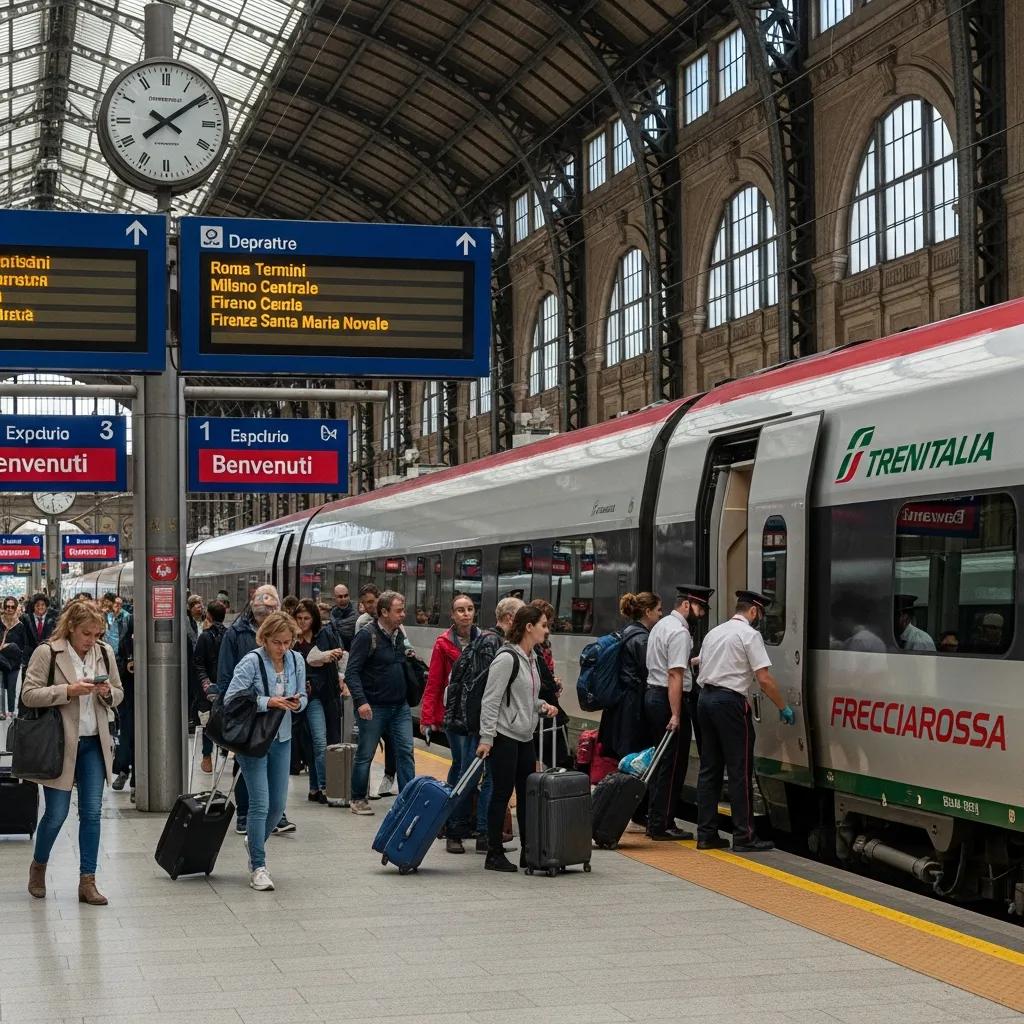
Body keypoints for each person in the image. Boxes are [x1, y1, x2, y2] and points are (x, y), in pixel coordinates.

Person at [22, 600, 124, 905]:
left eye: (96, 634)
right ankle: (39, 865)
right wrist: (68, 691)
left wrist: (108, 694)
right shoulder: (48, 652)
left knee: (91, 813)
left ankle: (87, 881)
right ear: (71, 628)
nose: (91, 640)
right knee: (56, 814)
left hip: (94, 743)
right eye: (86, 634)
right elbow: (28, 695)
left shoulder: (104, 652)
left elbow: (119, 692)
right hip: (59, 745)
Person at [695, 590, 795, 853]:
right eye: (759, 614)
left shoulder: (714, 632)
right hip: (730, 703)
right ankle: (744, 836)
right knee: (740, 770)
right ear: (753, 611)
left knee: (709, 770)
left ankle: (706, 835)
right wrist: (783, 707)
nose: (759, 619)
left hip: (704, 700)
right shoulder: (750, 635)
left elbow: (701, 664)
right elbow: (763, 678)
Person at [224, 611, 307, 891]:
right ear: (265, 639)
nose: (282, 648)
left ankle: (254, 840)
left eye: (288, 642)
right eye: (277, 642)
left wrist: (299, 703)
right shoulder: (251, 661)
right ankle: (258, 866)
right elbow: (231, 699)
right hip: (254, 741)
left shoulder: (296, 660)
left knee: (278, 805)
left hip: (282, 738)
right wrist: (267, 701)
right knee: (260, 803)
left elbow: (304, 695)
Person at [476, 604, 559, 873]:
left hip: (525, 736)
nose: (547, 630)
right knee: (501, 794)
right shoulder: (506, 658)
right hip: (504, 736)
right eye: (544, 625)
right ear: (529, 627)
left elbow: (524, 696)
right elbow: (491, 701)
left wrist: (541, 706)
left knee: (526, 795)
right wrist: (487, 737)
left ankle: (528, 852)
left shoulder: (532, 657)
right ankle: (494, 853)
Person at [216, 585, 295, 836]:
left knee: (273, 780)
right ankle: (244, 814)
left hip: (278, 725)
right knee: (246, 768)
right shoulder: (237, 633)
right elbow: (227, 675)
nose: (266, 618)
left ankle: (274, 815)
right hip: (248, 717)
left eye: (271, 612)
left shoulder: (286, 646)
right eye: (262, 614)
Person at [644, 585, 713, 841]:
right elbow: (674, 674)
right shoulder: (680, 633)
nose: (701, 614)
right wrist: (675, 713)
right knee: (672, 764)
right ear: (686, 605)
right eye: (700, 609)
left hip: (654, 694)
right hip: (668, 699)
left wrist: (692, 661)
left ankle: (655, 818)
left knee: (662, 761)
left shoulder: (661, 626)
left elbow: (669, 665)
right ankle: (662, 823)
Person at [344, 590, 417, 815]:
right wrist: (361, 701)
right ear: (384, 612)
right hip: (374, 707)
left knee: (406, 750)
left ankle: (408, 799)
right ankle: (357, 799)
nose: (403, 615)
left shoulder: (399, 636)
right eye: (398, 611)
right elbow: (352, 672)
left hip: (399, 706)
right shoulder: (367, 636)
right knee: (366, 754)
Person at [420, 593, 481, 853]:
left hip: (477, 714)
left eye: (469, 609)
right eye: (460, 610)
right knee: (464, 767)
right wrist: (427, 717)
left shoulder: (485, 639)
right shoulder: (443, 643)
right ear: (452, 615)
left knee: (468, 768)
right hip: (454, 715)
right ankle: (454, 825)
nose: (465, 614)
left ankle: (455, 822)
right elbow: (434, 681)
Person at [352, 583, 396, 796]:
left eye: (373, 601)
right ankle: (361, 793)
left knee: (397, 744)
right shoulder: (363, 625)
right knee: (367, 747)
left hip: (392, 696)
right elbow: (359, 661)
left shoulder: (396, 625)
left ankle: (390, 778)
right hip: (373, 695)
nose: (370, 606)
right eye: (366, 603)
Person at [293, 598, 337, 804]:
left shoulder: (323, 635)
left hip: (323, 694)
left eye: (306, 618)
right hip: (304, 697)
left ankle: (315, 787)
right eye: (299, 618)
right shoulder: (291, 641)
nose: (302, 622)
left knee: (317, 740)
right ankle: (323, 786)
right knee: (316, 741)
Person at [193, 600, 228, 774]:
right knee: (225, 719)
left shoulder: (204, 636)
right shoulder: (230, 635)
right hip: (226, 688)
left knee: (207, 722)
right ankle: (227, 749)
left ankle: (207, 757)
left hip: (206, 692)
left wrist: (206, 684)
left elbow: (198, 664)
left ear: (209, 616)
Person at [111, 615, 136, 798]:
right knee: (125, 736)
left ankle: (137, 780)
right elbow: (115, 668)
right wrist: (126, 666)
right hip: (127, 698)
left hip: (148, 701)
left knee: (141, 739)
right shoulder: (124, 643)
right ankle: (122, 771)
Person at [0, 596, 27, 720]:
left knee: (11, 687)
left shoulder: (20, 626)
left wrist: (12, 646)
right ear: (3, 607)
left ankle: (10, 711)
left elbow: (23, 645)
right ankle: (1, 711)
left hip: (14, 663)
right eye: (7, 607)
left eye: (12, 607)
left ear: (16, 608)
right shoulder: (0, 623)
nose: (9, 609)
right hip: (0, 660)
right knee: (0, 688)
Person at [21, 593, 57, 668]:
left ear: (46, 606)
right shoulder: (25, 619)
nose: (40, 607)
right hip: (30, 658)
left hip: (48, 656)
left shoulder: (54, 619)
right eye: (37, 605)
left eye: (43, 605)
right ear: (33, 606)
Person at [331, 584, 358, 651]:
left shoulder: (356, 610)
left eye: (346, 596)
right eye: (340, 597)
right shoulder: (332, 612)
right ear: (334, 598)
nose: (343, 599)